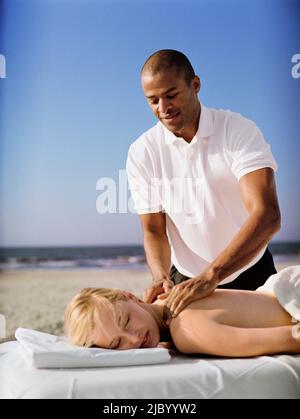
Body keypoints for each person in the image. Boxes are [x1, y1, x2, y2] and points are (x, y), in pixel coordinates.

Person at [126, 49, 281, 318]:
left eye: (171, 95)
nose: (163, 108)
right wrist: (160, 276)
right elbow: (153, 230)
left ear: (195, 85)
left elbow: (267, 215)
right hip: (185, 279)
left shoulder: (238, 130)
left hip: (252, 272)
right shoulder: (142, 152)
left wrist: (212, 275)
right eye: (153, 100)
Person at [64, 266, 300, 357]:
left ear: (130, 296)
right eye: (117, 344)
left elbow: (293, 338)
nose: (134, 339)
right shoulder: (173, 299)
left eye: (125, 321)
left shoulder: (186, 330)